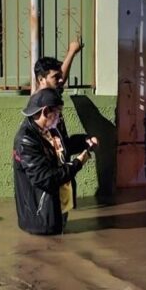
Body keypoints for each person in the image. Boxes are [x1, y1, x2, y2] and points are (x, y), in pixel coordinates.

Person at [13, 88, 94, 235]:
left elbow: (63, 147)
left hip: (55, 211)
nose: (59, 117)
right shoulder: (26, 140)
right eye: (57, 113)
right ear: (45, 112)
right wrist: (77, 164)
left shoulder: (50, 128)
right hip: (40, 220)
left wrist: (84, 141)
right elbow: (46, 178)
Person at [33, 38, 98, 202]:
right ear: (41, 80)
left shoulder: (51, 97)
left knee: (63, 217)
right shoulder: (39, 105)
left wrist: (84, 141)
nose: (61, 81)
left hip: (61, 171)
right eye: (56, 78)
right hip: (52, 178)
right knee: (54, 220)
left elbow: (62, 143)